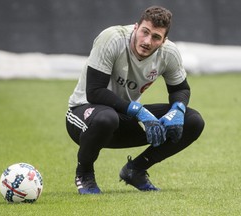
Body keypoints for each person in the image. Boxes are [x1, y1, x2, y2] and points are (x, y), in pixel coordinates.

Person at [65, 5, 205, 194]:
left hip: (122, 118)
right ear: (136, 27)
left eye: (156, 37)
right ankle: (84, 174)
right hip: (84, 117)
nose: (147, 41)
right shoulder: (112, 39)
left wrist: (177, 109)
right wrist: (139, 111)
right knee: (107, 118)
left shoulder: (169, 53)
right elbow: (95, 91)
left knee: (193, 121)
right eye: (144, 32)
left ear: (164, 40)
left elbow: (180, 89)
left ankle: (136, 170)